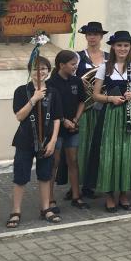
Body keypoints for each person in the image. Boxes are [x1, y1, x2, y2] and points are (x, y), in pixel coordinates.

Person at [6, 56, 63, 228]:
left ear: (48, 70)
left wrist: (53, 141)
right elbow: (19, 116)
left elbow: (57, 119)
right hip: (25, 141)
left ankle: (45, 208)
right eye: (36, 69)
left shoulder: (53, 92)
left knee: (45, 175)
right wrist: (34, 99)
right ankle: (16, 211)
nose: (41, 72)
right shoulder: (21, 91)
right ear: (30, 71)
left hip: (46, 140)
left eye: (44, 68)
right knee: (21, 176)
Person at [91, 31, 131, 212]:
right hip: (111, 114)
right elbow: (95, 95)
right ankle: (109, 195)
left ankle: (123, 193)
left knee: (127, 152)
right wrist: (110, 99)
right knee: (110, 154)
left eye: (126, 45)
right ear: (113, 47)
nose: (123, 48)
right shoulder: (105, 66)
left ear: (130, 47)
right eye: (119, 45)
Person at [46, 50, 88, 211]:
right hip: (56, 130)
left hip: (73, 128)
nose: (75, 66)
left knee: (73, 161)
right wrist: (64, 121)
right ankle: (50, 199)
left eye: (76, 63)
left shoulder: (76, 81)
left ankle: (76, 196)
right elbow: (50, 107)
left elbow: (82, 102)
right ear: (61, 65)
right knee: (54, 164)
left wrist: (76, 119)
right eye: (72, 64)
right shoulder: (51, 84)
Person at [75, 21, 109, 199]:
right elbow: (73, 80)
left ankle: (96, 183)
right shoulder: (78, 57)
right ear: (86, 36)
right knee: (82, 147)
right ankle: (78, 185)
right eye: (89, 34)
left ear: (101, 37)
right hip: (85, 108)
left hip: (103, 107)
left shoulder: (109, 57)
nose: (93, 37)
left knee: (100, 146)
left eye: (96, 34)